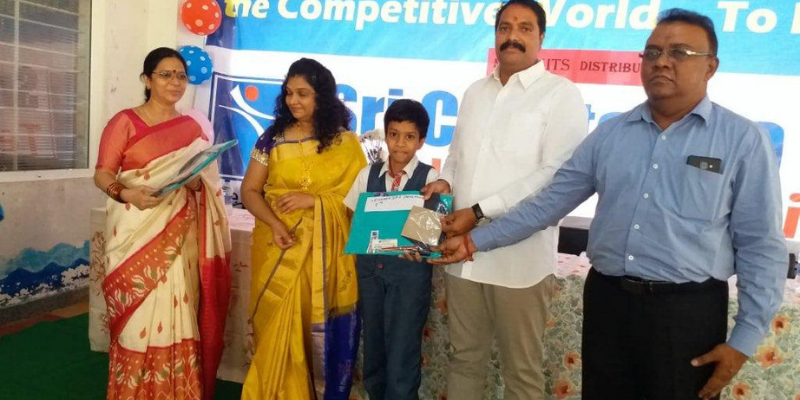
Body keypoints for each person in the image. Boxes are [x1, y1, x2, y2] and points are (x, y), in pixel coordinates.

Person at [434, 8, 787, 400]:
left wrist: (744, 339)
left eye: (679, 53)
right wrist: (475, 241)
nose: (662, 62)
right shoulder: (611, 135)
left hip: (687, 313)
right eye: (652, 52)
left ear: (710, 67)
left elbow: (760, 244)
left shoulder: (741, 140)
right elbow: (548, 204)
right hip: (608, 304)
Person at [420, 0, 588, 398]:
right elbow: (457, 157)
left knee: (521, 373)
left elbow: (553, 176)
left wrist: (479, 213)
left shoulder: (560, 95)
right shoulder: (475, 92)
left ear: (541, 37)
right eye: (505, 27)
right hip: (463, 258)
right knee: (464, 359)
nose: (513, 36)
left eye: (525, 28)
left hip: (520, 263)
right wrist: (444, 182)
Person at [94, 47, 232, 400]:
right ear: (147, 79)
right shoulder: (124, 122)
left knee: (180, 309)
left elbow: (206, 183)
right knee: (138, 319)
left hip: (179, 234)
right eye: (165, 74)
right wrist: (126, 193)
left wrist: (196, 183)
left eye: (181, 76)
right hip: (134, 230)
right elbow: (103, 173)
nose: (175, 82)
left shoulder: (192, 128)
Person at [240, 58, 366, 400]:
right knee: (276, 332)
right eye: (289, 93)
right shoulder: (272, 138)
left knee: (313, 331)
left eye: (303, 93)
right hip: (278, 245)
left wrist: (315, 201)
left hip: (323, 257)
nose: (293, 100)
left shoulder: (345, 143)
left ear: (321, 96)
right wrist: (274, 223)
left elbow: (359, 202)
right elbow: (249, 190)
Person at [343, 99, 438, 400]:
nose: (400, 143)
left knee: (402, 353)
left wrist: (418, 246)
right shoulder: (367, 174)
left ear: (421, 141)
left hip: (409, 277)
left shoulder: (431, 179)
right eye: (394, 134)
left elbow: (428, 235)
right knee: (374, 349)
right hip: (371, 274)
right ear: (386, 135)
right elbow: (352, 214)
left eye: (410, 136)